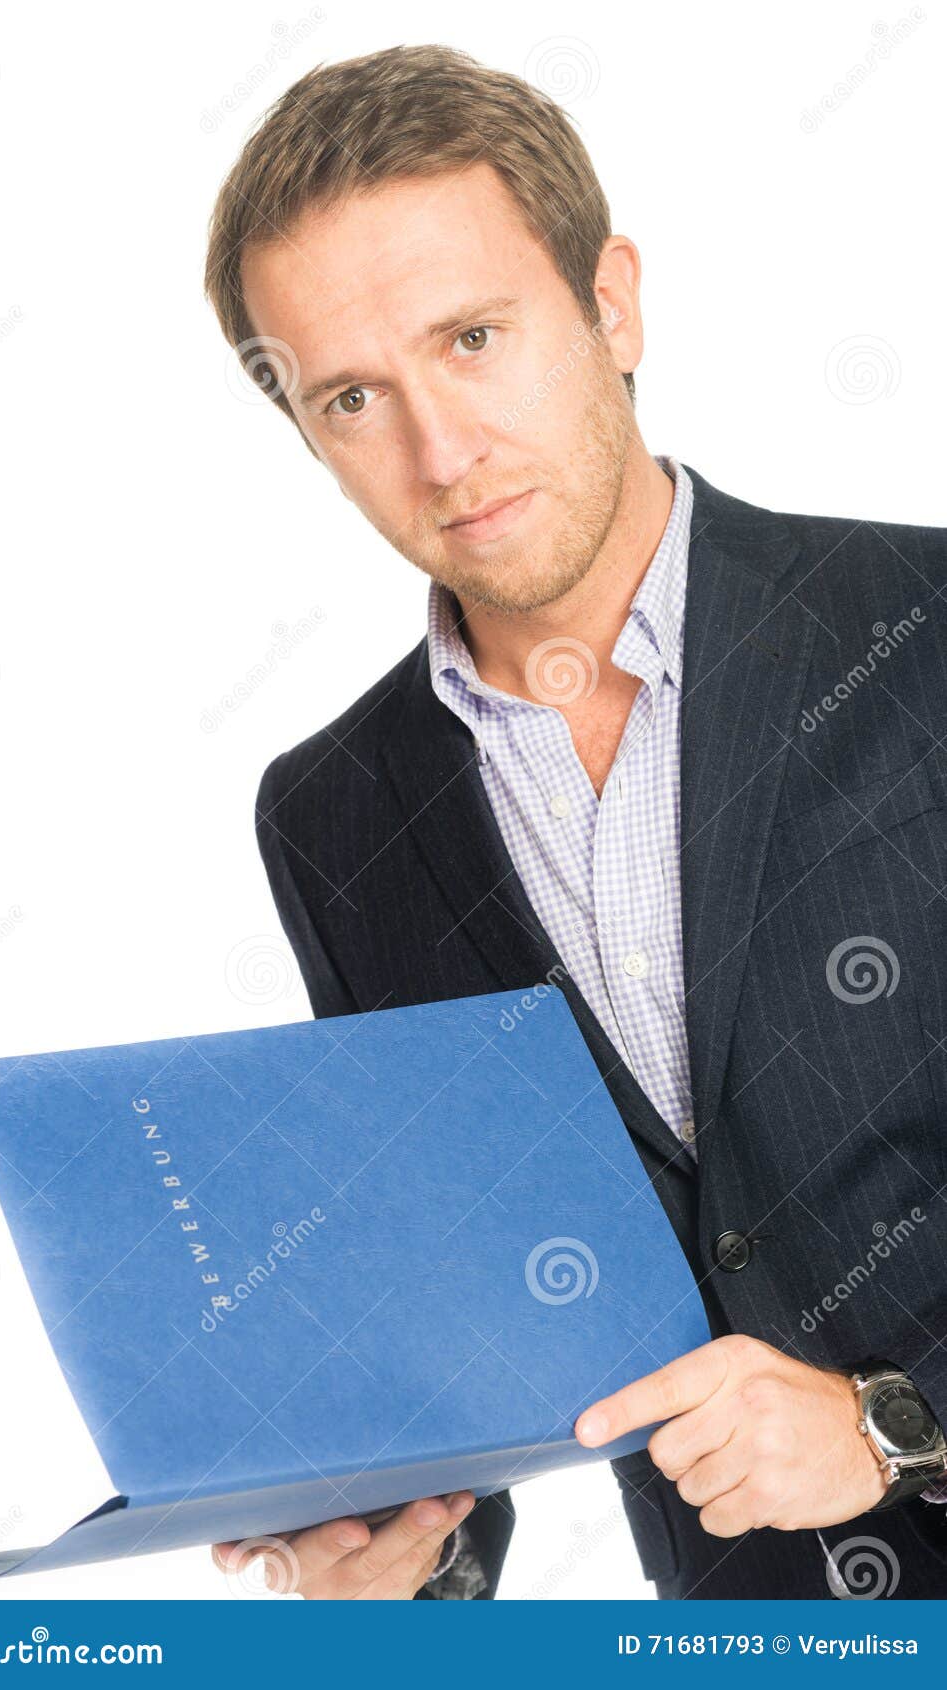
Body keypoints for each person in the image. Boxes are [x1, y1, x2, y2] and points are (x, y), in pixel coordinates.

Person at [202, 43, 947, 1599]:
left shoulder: (924, 628)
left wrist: (898, 1426)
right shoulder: (335, 814)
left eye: (473, 337)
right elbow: (469, 1314)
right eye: (353, 394)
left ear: (611, 305)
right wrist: (409, 1563)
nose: (440, 449)